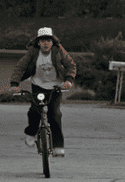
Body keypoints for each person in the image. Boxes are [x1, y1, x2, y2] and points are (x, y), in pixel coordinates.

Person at [10, 27, 76, 157]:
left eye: (48, 41)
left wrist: (68, 81)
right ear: (38, 42)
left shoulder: (58, 51)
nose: (45, 44)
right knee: (34, 111)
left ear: (52, 42)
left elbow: (71, 65)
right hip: (38, 86)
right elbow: (20, 67)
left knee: (55, 115)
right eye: (42, 41)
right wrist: (14, 84)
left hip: (55, 87)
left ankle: (58, 147)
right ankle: (31, 133)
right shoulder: (32, 52)